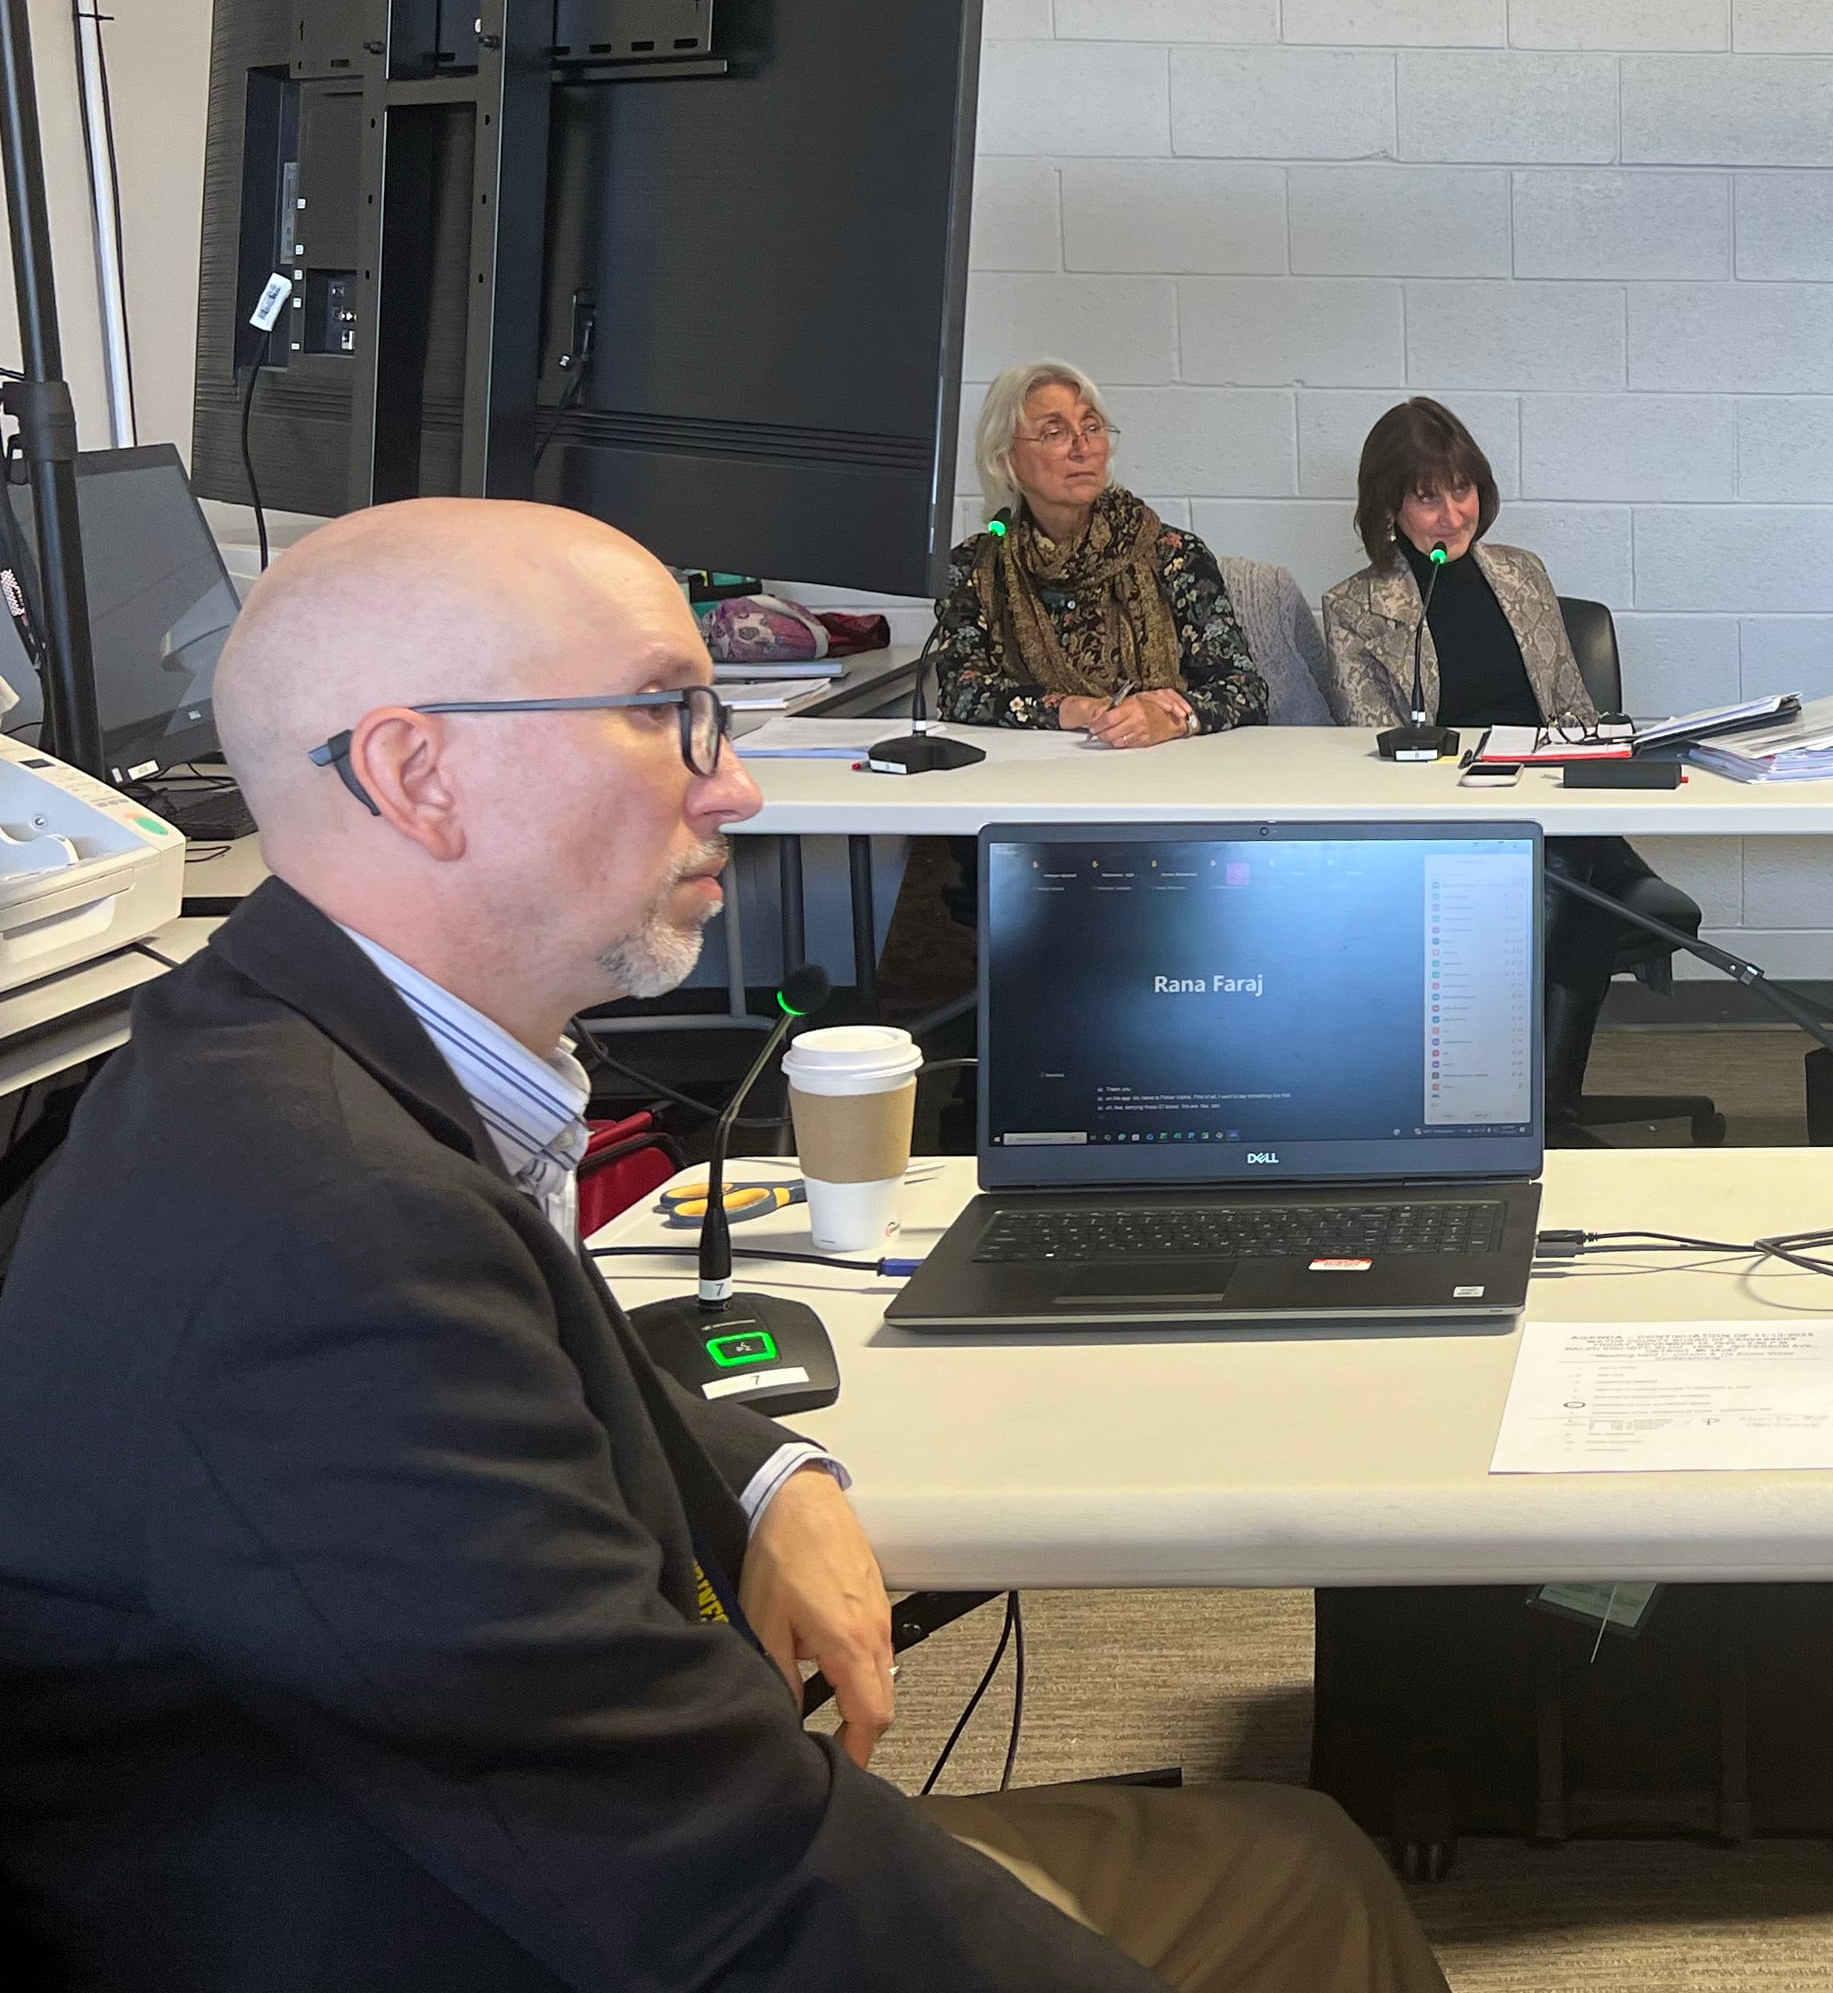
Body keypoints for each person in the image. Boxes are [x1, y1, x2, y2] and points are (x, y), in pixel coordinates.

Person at [0, 499, 1446, 1993]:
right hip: (497, 1927)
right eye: (664, 716)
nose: (738, 787)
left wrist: (767, 1472)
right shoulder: (320, 1240)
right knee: (1298, 1901)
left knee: (1307, 1865)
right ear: (414, 773)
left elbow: (496, 1355)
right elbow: (726, 1895)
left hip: (486, 1862)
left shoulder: (276, 1057)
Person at [1321, 398, 1668, 1130]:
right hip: (1452, 821)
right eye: (1426, 496)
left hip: (1558, 806)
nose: (1451, 514)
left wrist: (1600, 753)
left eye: (1462, 489)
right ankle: (1537, 1111)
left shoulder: (1521, 574)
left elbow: (1574, 712)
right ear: (1388, 505)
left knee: (1569, 878)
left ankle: (1536, 1113)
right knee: (1566, 888)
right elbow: (1372, 745)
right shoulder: (1354, 606)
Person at [937, 359, 1268, 744]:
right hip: (1034, 782)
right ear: (1005, 458)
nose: (1083, 448)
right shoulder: (975, 570)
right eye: (1054, 432)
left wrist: (1171, 719)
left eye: (1092, 428)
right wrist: (1075, 708)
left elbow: (1245, 691)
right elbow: (959, 693)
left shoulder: (1174, 556)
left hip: (1169, 776)